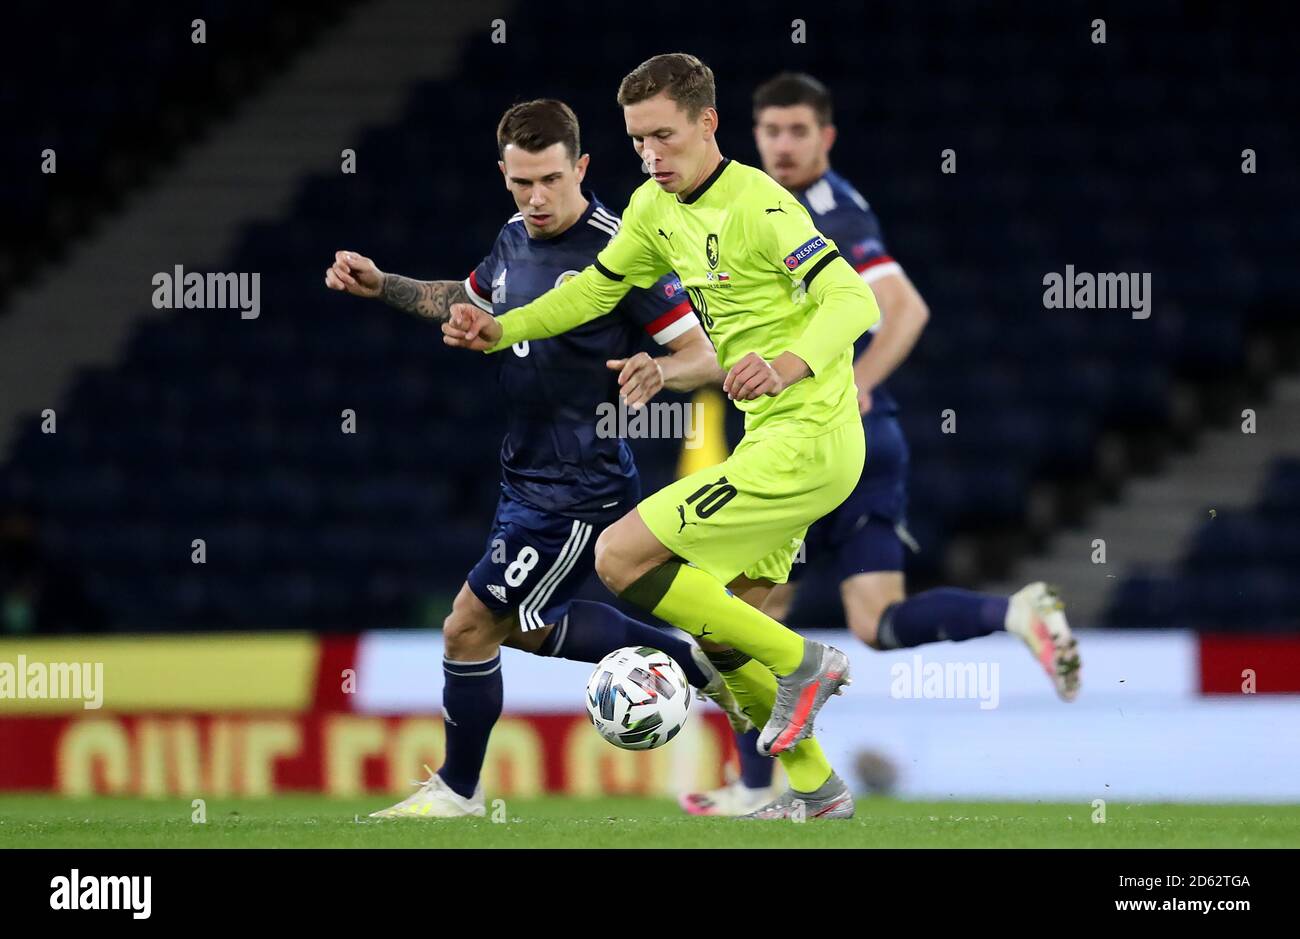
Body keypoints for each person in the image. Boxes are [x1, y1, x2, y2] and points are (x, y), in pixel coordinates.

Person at [443, 54, 880, 819]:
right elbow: (593, 289)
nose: (650, 156)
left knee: (620, 554)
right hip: (772, 440)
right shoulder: (651, 206)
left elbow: (852, 299)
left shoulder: (761, 206)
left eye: (664, 138)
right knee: (721, 627)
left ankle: (804, 663)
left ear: (708, 123)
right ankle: (819, 790)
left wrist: (786, 361)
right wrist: (499, 328)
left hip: (811, 436)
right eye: (637, 140)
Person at [325, 98, 747, 818]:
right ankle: (690, 660)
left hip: (577, 485)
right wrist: (384, 286)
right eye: (521, 183)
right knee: (520, 625)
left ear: (580, 165)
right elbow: (469, 300)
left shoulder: (624, 248)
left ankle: (459, 791)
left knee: (466, 624)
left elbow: (707, 351)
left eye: (550, 179)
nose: (537, 198)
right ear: (504, 175)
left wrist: (659, 368)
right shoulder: (514, 236)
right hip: (523, 479)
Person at [680, 72, 1083, 816]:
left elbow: (904, 307)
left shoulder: (828, 209)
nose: (784, 145)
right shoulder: (761, 209)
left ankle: (757, 785)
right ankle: (1015, 613)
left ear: (826, 137)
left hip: (818, 443)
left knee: (736, 614)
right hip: (871, 442)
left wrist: (857, 381)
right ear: (752, 134)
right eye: (771, 131)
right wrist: (681, 366)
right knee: (875, 621)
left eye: (799, 131)